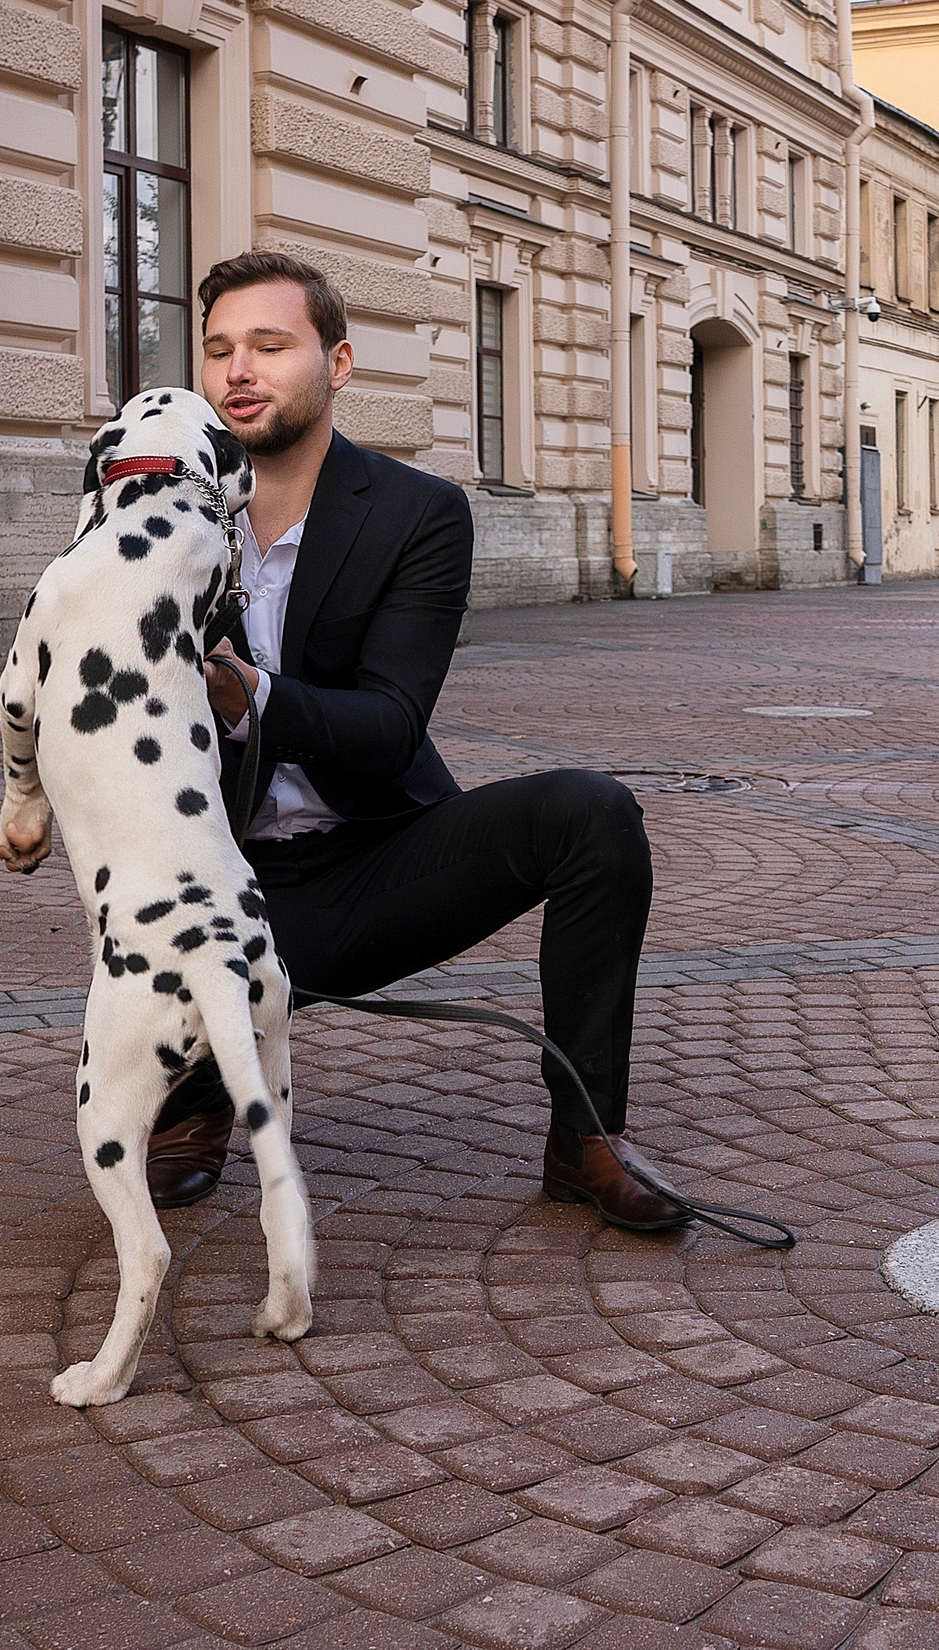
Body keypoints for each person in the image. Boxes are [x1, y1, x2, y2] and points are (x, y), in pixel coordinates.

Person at [138, 250, 680, 1230]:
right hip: (213, 884)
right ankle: (198, 1092)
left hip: (374, 859)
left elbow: (388, 730)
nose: (238, 371)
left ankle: (585, 1135)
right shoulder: (159, 511)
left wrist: (245, 691)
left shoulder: (415, 514)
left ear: (337, 364)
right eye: (217, 350)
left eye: (269, 345)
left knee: (591, 814)